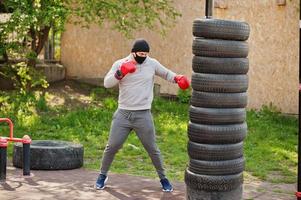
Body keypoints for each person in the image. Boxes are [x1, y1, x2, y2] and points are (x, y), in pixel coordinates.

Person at [95, 39, 190, 192]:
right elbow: (107, 83)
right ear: (133, 53)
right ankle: (102, 175)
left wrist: (177, 78)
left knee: (152, 149)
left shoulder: (152, 63)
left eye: (146, 54)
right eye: (141, 54)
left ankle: (163, 178)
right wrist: (121, 73)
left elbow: (166, 74)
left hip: (143, 114)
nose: (143, 57)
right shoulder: (120, 63)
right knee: (112, 146)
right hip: (123, 114)